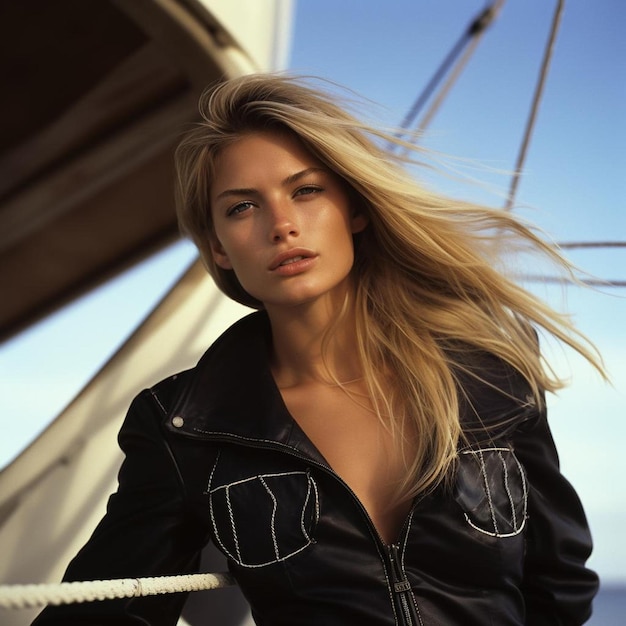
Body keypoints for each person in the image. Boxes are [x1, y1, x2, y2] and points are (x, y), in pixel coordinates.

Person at [32, 73, 605, 625]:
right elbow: (101, 613)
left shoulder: (487, 372)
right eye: (241, 207)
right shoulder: (186, 427)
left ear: (354, 208)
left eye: (305, 191)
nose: (281, 225)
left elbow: (559, 583)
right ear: (220, 247)